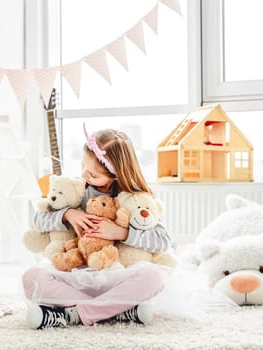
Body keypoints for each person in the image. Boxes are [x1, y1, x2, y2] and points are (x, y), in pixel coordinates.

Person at [22, 124, 172, 329]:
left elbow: (163, 240)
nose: (84, 175)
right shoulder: (76, 189)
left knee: (154, 277)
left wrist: (121, 233)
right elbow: (38, 220)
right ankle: (116, 311)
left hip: (118, 277)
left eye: (93, 174)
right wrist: (66, 214)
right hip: (79, 277)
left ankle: (74, 314)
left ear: (116, 175)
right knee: (31, 279)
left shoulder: (135, 199)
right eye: (83, 166)